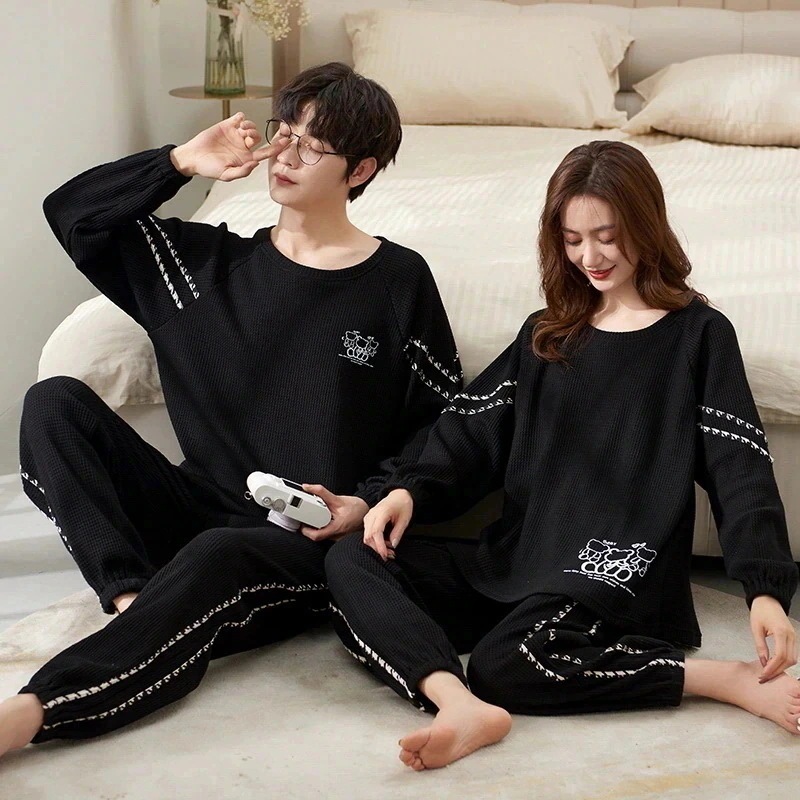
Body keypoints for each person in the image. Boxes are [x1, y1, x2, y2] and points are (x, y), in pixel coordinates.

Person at [0, 62, 462, 756]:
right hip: (195, 509)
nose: (285, 154)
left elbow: (444, 423)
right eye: (285, 131)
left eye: (313, 145)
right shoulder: (200, 267)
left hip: (306, 544)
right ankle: (133, 604)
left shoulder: (397, 281)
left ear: (361, 170)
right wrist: (180, 163)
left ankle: (32, 713)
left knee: (222, 551)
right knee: (53, 402)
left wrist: (367, 502)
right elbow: (71, 214)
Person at [324, 140, 800, 771]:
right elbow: (469, 432)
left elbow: (740, 468)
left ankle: (720, 679)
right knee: (354, 558)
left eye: (608, 237)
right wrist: (406, 490)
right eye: (573, 240)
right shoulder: (546, 333)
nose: (590, 257)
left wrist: (765, 590)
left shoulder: (699, 336)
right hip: (520, 554)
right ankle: (455, 703)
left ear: (646, 226)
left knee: (507, 663)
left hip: (612, 567)